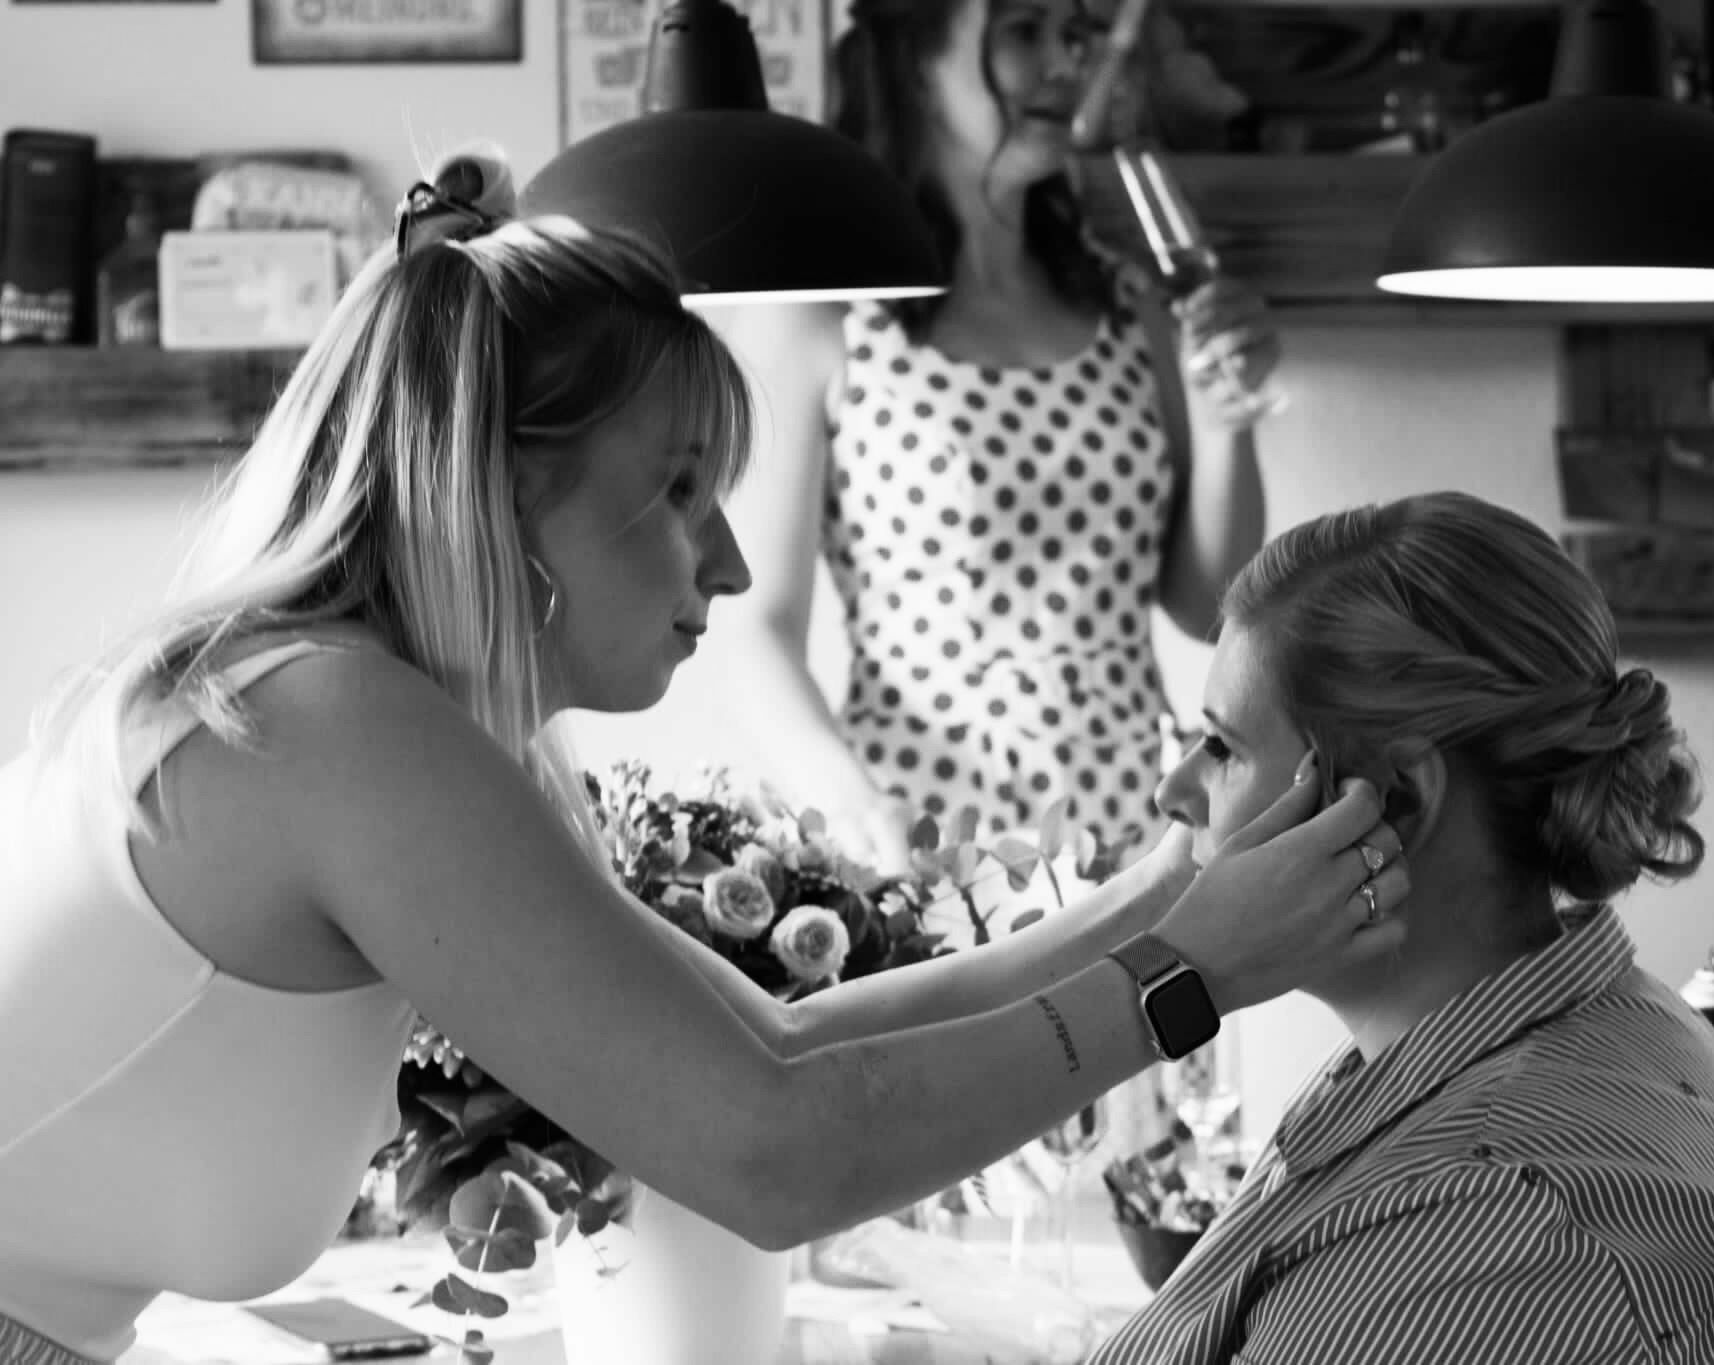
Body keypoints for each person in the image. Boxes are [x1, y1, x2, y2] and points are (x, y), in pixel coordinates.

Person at [0, 152, 1410, 1365]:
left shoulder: (354, 708)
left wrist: (1171, 890)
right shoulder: (336, 725)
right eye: (678, 491)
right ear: (502, 495)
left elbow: (781, 1043)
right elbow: (777, 1151)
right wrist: (1193, 977)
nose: (728, 563)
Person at [1088, 493, 1714, 1365]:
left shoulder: (1484, 1215)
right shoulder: (1583, 1034)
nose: (1171, 792)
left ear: (1396, 802)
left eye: (1222, 748)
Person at [703, 0, 1281, 874]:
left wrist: (1223, 421)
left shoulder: (1127, 304)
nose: (1065, 63)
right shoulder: (821, 312)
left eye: (1073, 34)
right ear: (914, 55)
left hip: (1139, 833)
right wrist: (859, 812)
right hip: (925, 842)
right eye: (1021, 31)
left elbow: (1208, 608)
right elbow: (755, 627)